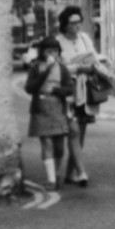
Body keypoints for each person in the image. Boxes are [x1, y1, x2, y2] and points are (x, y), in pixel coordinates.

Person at [55, 6, 110, 185]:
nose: (77, 26)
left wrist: (96, 64)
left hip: (84, 90)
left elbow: (93, 58)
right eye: (73, 23)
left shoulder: (85, 38)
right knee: (73, 131)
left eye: (79, 22)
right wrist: (77, 67)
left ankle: (71, 173)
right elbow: (57, 68)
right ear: (64, 24)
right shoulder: (58, 42)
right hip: (67, 91)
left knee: (81, 133)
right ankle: (80, 172)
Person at [25, 37, 71, 190]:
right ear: (42, 52)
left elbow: (69, 89)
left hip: (58, 108)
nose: (52, 54)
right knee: (47, 144)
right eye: (49, 51)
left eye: (55, 51)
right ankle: (51, 179)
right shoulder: (36, 67)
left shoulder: (63, 68)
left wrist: (57, 90)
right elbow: (30, 88)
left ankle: (57, 174)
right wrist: (45, 72)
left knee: (59, 146)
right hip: (41, 108)